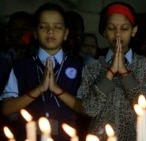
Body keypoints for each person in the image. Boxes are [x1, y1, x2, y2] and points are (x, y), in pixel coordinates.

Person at [0, 3, 88, 141]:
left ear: (65, 33)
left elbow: (86, 109)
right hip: (29, 137)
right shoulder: (22, 65)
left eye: (57, 27)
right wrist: (39, 89)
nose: (50, 31)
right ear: (35, 32)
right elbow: (6, 109)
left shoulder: (79, 66)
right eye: (43, 26)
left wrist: (57, 90)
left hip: (65, 137)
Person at [77, 1, 146, 141]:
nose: (118, 34)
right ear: (104, 32)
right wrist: (110, 73)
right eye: (111, 28)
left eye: (124, 28)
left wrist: (125, 73)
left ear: (134, 30)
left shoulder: (145, 65)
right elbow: (89, 109)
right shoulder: (93, 66)